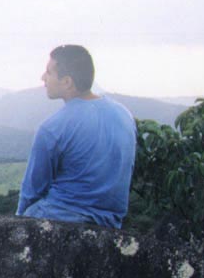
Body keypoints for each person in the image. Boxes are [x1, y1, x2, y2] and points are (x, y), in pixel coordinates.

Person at [16, 45, 137, 229]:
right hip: (110, 221)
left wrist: (15, 226)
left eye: (48, 72)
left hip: (61, 218)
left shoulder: (52, 128)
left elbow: (32, 191)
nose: (43, 78)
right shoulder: (124, 114)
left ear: (67, 82)